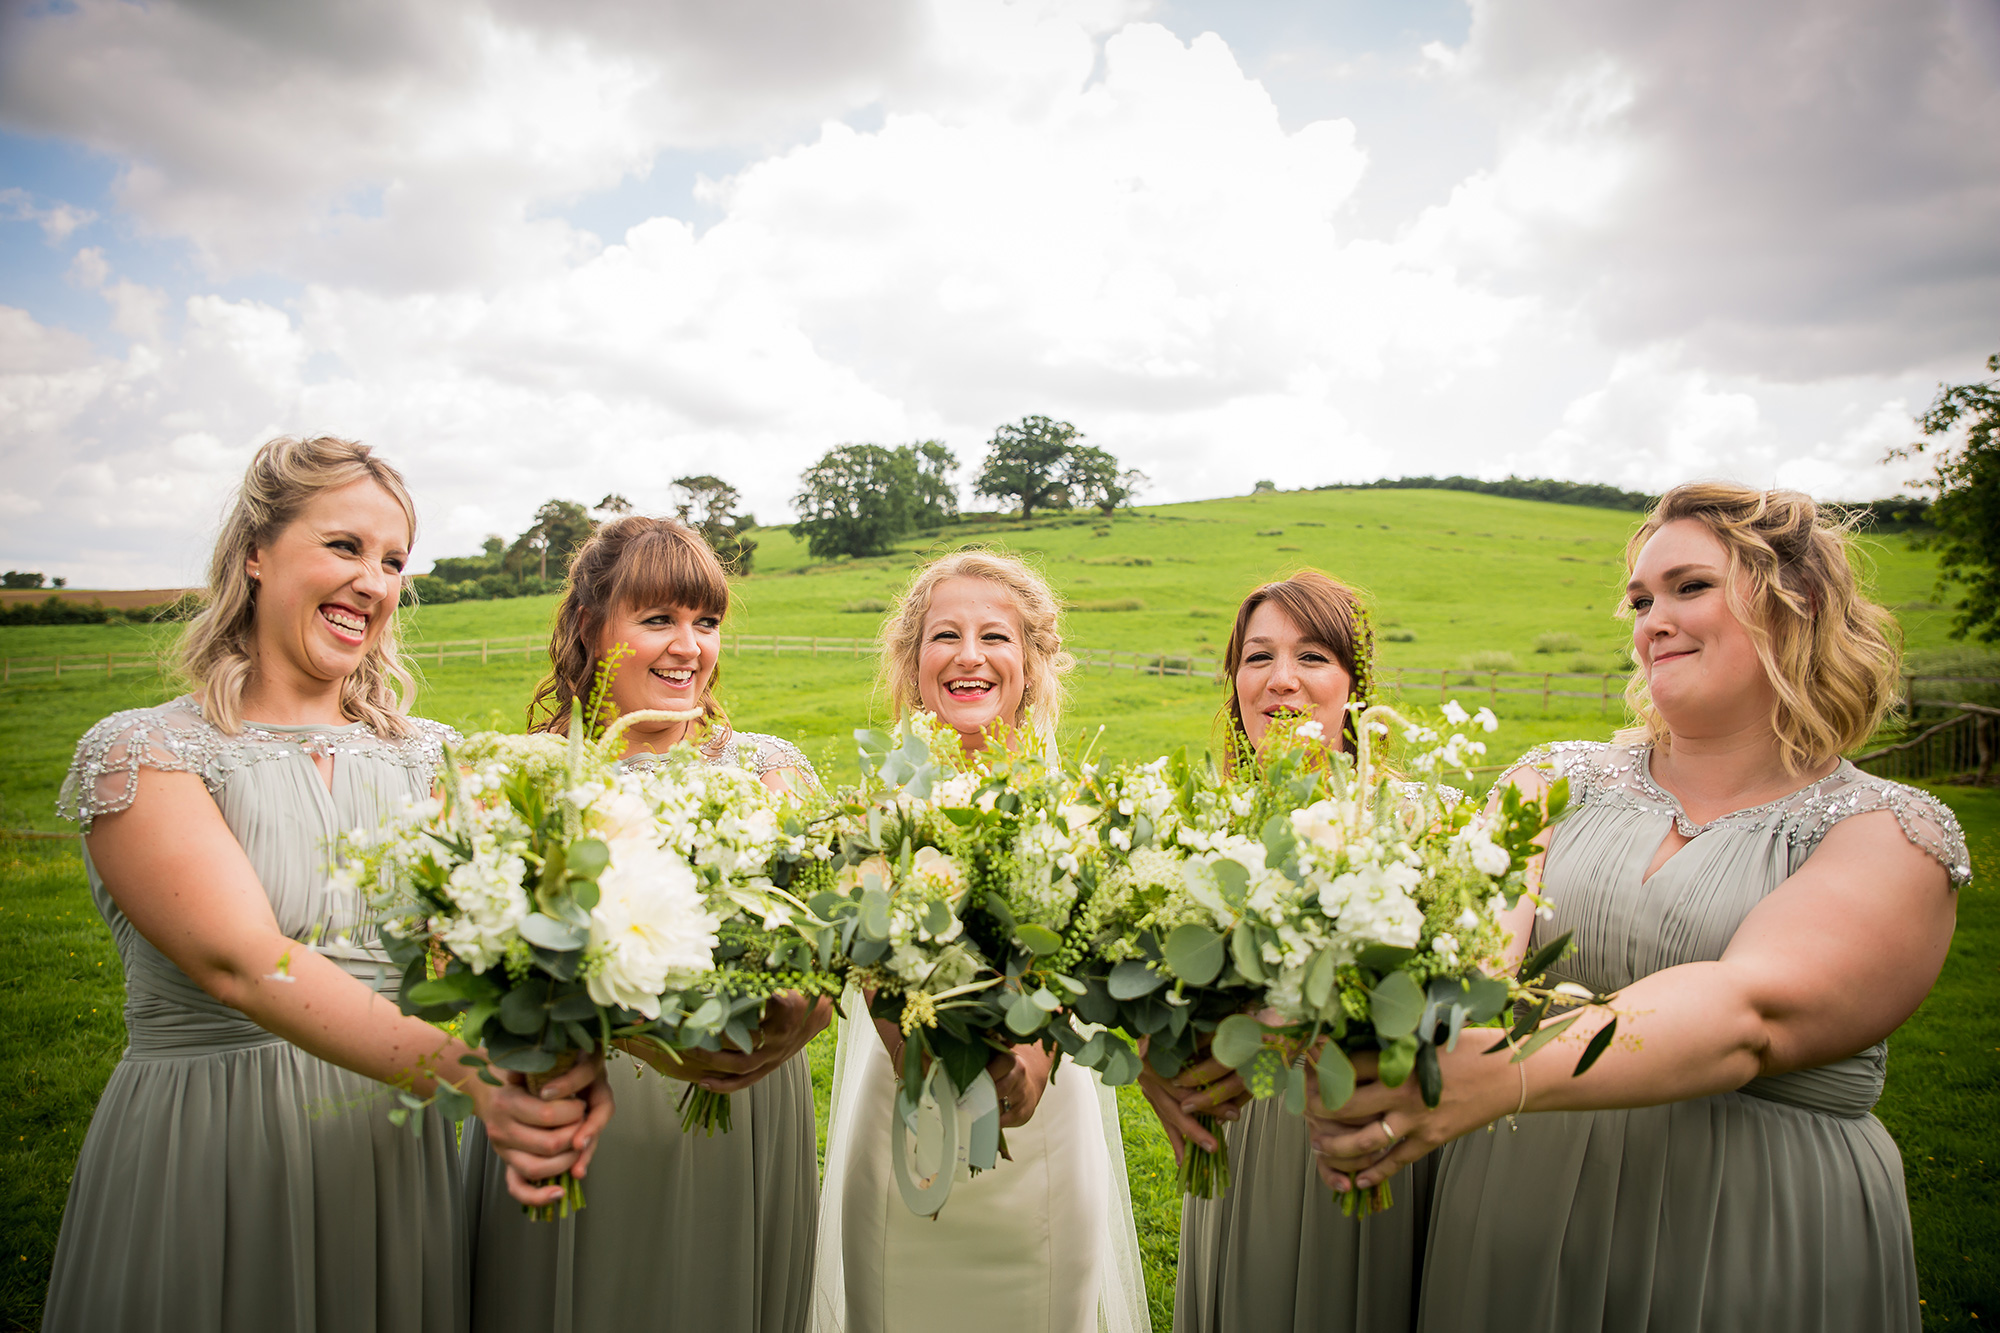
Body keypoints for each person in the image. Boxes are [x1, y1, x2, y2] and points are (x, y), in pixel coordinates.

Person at [1307, 483, 1969, 1333]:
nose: (1652, 618)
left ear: (1797, 599)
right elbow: (1472, 957)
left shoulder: (1892, 832)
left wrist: (1500, 1071)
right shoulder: (1551, 779)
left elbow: (1747, 1012)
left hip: (1747, 1231)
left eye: (1690, 587)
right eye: (1640, 598)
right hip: (1515, 1213)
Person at [43, 435, 610, 1332]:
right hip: (214, 1150)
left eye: (393, 562)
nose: (375, 584)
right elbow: (244, 962)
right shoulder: (146, 751)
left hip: (388, 1157)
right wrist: (472, 1077)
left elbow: (501, 949)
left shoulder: (434, 759)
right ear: (256, 554)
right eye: (345, 547)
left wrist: (565, 1050)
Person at [463, 514, 829, 1333]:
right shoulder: (525, 780)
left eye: (706, 622)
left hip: (746, 1102)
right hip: (588, 1108)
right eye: (658, 618)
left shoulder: (770, 770)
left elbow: (831, 948)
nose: (688, 647)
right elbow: (491, 967)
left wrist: (800, 1018)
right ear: (592, 627)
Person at [810, 549, 1150, 1333]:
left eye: (995, 636)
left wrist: (1035, 1056)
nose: (969, 656)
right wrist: (918, 1054)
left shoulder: (1085, 810)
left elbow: (1088, 962)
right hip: (902, 1128)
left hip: (1043, 1134)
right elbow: (863, 960)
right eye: (944, 636)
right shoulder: (866, 814)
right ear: (912, 659)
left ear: (1031, 663)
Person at [1139, 569, 1435, 1333]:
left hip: (1354, 1115)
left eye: (1311, 657)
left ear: (1352, 682)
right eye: (1258, 657)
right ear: (1235, 679)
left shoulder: (1409, 820)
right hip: (1237, 1119)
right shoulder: (1199, 817)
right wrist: (1154, 1051)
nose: (1281, 682)